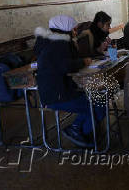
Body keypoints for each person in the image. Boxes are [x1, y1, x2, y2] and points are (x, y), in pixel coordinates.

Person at [34, 15, 105, 148]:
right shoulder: (59, 43)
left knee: (95, 102)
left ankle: (79, 130)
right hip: (58, 94)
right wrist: (83, 62)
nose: (75, 32)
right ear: (65, 28)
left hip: (54, 91)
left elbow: (67, 61)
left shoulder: (51, 40)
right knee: (99, 105)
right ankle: (78, 131)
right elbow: (65, 65)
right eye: (73, 29)